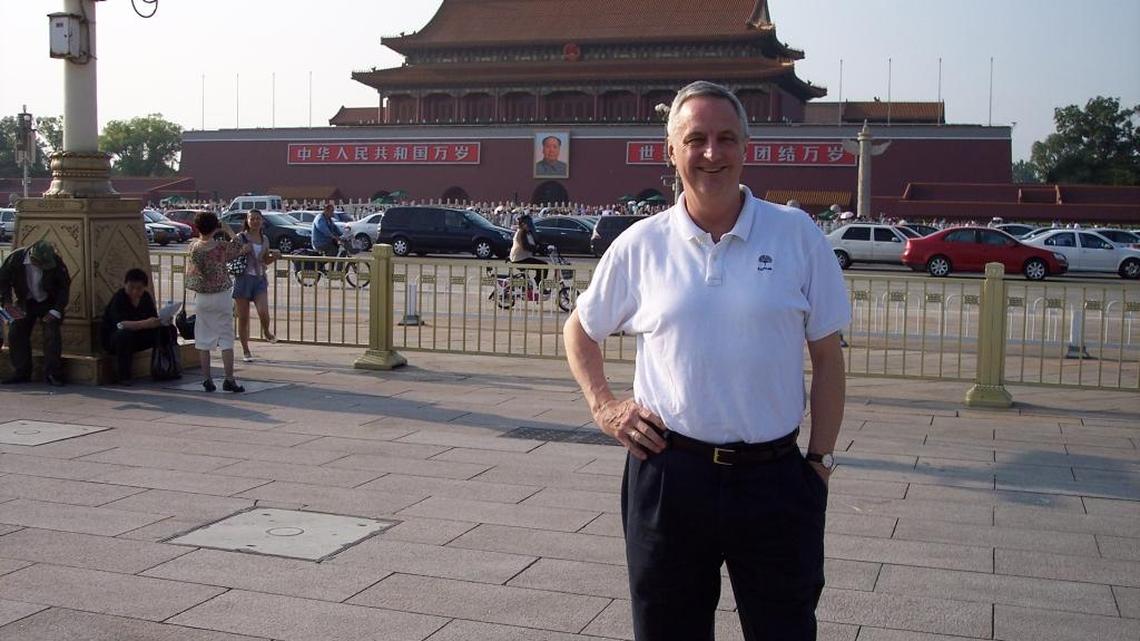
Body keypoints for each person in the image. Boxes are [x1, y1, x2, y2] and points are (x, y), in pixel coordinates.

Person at [563, 81, 849, 641]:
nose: (712, 153)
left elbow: (827, 358)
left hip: (774, 478)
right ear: (671, 151)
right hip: (671, 475)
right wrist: (604, 406)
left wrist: (819, 464)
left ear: (747, 146)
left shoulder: (796, 235)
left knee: (785, 629)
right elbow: (580, 328)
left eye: (726, 138)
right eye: (696, 139)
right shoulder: (641, 244)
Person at [185, 211, 249, 393]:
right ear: (216, 227)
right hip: (222, 295)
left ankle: (207, 379)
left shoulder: (193, 247)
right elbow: (238, 246)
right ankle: (229, 379)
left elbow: (200, 243)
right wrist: (228, 229)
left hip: (202, 297)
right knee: (226, 338)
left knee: (203, 338)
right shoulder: (221, 247)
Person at [0, 240, 71, 386]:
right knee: (16, 331)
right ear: (32, 258)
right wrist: (6, 302)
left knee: (51, 333)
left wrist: (56, 310)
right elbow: (3, 280)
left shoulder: (55, 261)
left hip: (48, 301)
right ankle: (21, 371)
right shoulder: (16, 259)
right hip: (26, 300)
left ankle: (53, 373)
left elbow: (64, 287)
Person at [100, 268, 164, 385]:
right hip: (115, 340)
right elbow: (121, 324)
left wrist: (161, 321)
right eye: (131, 288)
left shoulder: (146, 298)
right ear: (125, 285)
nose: (135, 292)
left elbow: (152, 319)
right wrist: (145, 323)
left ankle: (166, 366)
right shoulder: (119, 298)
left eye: (139, 288)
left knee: (166, 331)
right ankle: (124, 376)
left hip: (138, 336)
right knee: (124, 335)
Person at [232, 209, 279, 362]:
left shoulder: (264, 239)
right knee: (243, 318)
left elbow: (265, 260)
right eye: (252, 219)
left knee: (263, 312)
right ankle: (246, 350)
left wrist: (274, 257)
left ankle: (266, 331)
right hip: (243, 279)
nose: (255, 221)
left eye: (258, 219)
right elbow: (229, 256)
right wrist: (241, 251)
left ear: (262, 221)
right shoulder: (240, 237)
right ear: (247, 220)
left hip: (259, 279)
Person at [509, 213, 548, 288]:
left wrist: (544, 246)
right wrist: (536, 249)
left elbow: (536, 242)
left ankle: (535, 284)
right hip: (519, 258)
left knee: (541, 266)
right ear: (523, 224)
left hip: (524, 257)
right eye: (528, 224)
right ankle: (538, 285)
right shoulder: (521, 233)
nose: (530, 226)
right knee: (544, 266)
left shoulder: (527, 233)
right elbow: (525, 246)